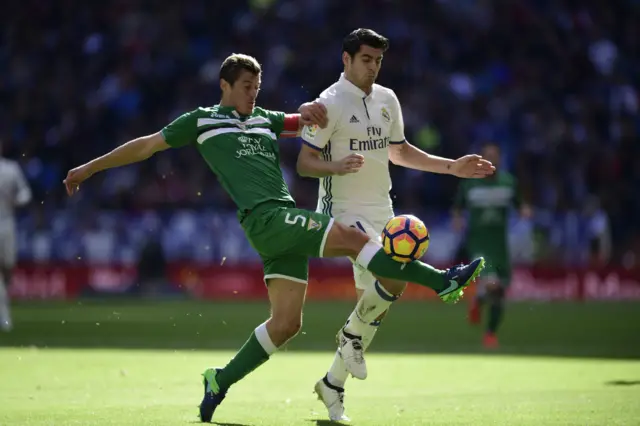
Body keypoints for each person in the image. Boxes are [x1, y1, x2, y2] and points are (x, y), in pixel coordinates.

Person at [63, 53, 489, 424]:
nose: (253, 94)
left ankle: (220, 379)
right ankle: (442, 282)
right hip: (269, 217)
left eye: (258, 87)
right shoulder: (201, 121)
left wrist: (307, 109)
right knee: (353, 238)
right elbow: (145, 146)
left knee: (287, 324)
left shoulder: (264, 119)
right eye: (247, 87)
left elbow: (302, 119)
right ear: (225, 85)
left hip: (276, 227)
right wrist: (89, 168)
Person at [297, 28, 496, 422]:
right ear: (347, 59)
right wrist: (335, 165)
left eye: (378, 60)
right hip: (342, 213)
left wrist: (451, 167)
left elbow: (400, 152)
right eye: (366, 59)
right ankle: (444, 281)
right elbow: (304, 163)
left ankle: (332, 385)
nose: (373, 67)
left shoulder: (387, 100)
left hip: (381, 211)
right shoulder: (328, 103)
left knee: (382, 296)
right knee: (385, 282)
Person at [452, 142, 531, 348]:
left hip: (500, 245)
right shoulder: (470, 184)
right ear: (481, 159)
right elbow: (458, 207)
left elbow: (520, 203)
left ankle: (487, 325)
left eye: (494, 156)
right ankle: (483, 313)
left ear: (500, 159)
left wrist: (524, 210)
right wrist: (458, 219)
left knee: (500, 291)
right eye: (487, 156)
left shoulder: (508, 182)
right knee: (491, 283)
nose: (491, 159)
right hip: (479, 243)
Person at [0, 141, 32, 331]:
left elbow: (25, 193)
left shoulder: (11, 168)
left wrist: (17, 200)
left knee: (8, 267)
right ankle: (4, 317)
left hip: (6, 224)